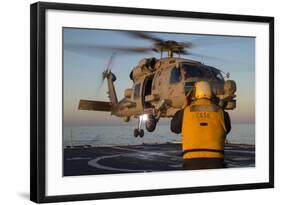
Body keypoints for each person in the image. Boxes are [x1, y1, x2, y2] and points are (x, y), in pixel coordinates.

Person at [171, 81, 231, 170]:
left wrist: (184, 107)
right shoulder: (222, 113)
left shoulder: (185, 112)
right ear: (211, 93)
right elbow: (227, 129)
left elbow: (174, 128)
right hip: (216, 160)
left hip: (190, 161)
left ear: (196, 93)